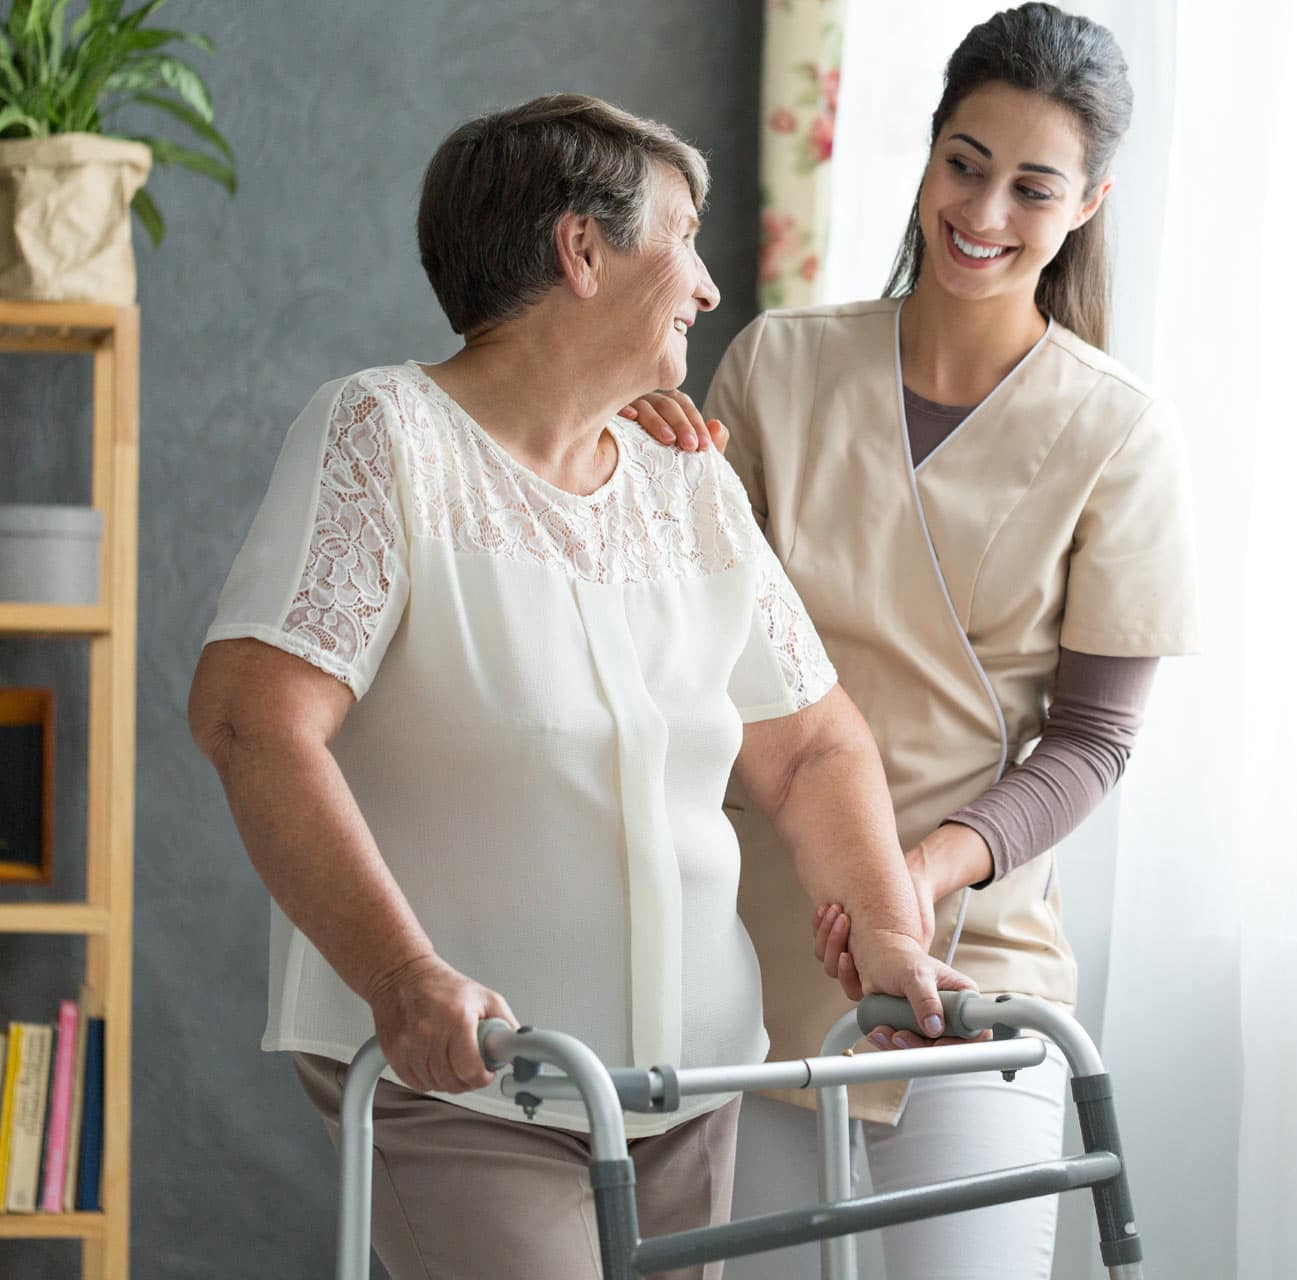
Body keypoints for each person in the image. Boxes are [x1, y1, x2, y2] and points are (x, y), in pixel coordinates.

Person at [187, 93, 962, 1280]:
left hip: (690, 1083)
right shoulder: (385, 437)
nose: (708, 286)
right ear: (582, 249)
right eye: (685, 238)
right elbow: (251, 719)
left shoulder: (683, 476)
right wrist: (404, 978)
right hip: (468, 1079)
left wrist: (892, 930)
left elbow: (810, 747)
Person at [628, 7, 1199, 1276]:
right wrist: (637, 473)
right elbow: (685, 645)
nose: (985, 209)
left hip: (973, 969)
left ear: (1090, 201)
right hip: (763, 959)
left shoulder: (1120, 435)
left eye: (1032, 185)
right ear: (930, 151)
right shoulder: (776, 366)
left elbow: (1096, 742)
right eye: (964, 162)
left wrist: (924, 870)